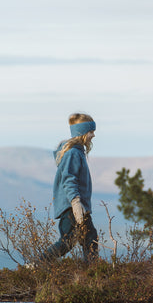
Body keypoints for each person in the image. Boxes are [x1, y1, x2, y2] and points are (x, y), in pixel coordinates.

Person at [38, 113, 99, 264]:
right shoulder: (72, 153)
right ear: (82, 132)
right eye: (91, 131)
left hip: (77, 205)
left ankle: (91, 272)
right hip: (72, 206)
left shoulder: (77, 151)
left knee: (90, 239)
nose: (93, 135)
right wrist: (76, 203)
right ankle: (38, 264)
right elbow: (68, 179)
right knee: (68, 241)